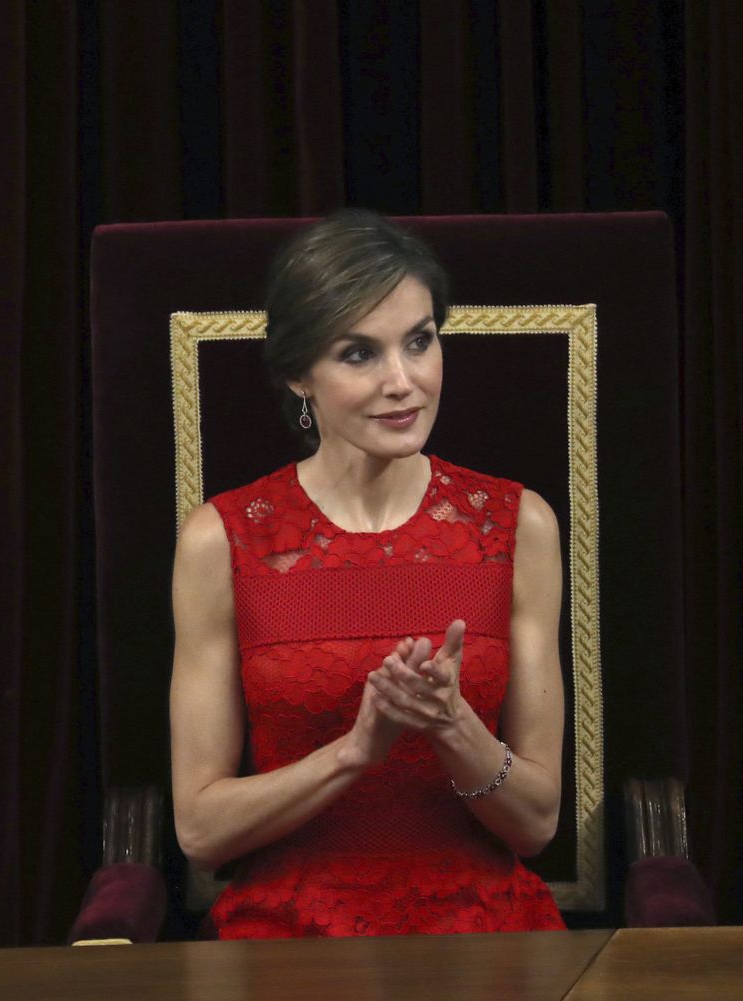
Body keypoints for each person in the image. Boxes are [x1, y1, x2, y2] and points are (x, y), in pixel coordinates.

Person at [170, 210, 566, 937]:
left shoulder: (519, 526)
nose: (403, 381)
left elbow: (537, 824)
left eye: (420, 341)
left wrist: (452, 725)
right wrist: (352, 755)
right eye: (359, 354)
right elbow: (200, 831)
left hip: (482, 943)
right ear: (299, 375)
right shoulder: (221, 541)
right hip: (289, 944)